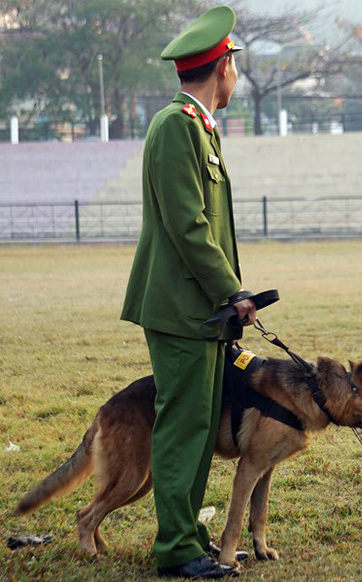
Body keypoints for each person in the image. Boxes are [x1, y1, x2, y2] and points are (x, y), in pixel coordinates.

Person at [120, 5, 255, 580]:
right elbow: (188, 224)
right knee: (182, 426)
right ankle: (176, 551)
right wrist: (233, 291)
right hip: (182, 309)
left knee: (199, 426)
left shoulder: (195, 124)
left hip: (200, 311)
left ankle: (190, 537)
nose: (235, 78)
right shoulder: (177, 126)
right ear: (221, 67)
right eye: (234, 66)